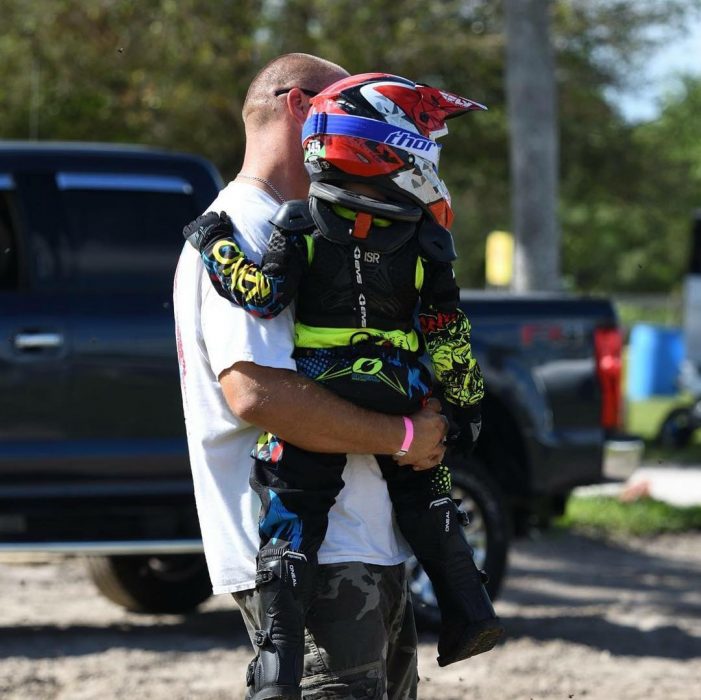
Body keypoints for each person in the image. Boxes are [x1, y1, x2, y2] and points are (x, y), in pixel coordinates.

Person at [183, 73, 504, 699]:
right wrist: (424, 426)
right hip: (329, 565)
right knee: (400, 496)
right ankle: (469, 607)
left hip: (367, 545)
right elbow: (258, 394)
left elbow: (266, 292)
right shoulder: (250, 217)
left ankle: (468, 611)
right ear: (301, 105)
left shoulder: (303, 221)